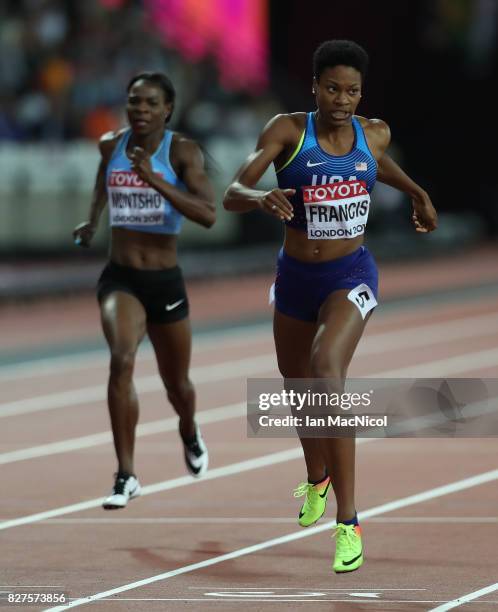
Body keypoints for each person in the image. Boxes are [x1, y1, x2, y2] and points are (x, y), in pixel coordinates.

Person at [223, 40, 437, 572]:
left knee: (326, 370)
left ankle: (349, 522)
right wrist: (258, 198)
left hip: (350, 274)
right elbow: (232, 191)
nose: (343, 99)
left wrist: (418, 193)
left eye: (353, 90)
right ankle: (316, 477)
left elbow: (377, 165)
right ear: (315, 86)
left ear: (362, 93)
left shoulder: (375, 132)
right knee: (297, 384)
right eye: (334, 88)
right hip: (295, 277)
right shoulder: (287, 132)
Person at [73, 72, 216, 510]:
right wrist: (94, 219)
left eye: (150, 103)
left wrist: (154, 180)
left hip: (164, 282)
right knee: (121, 359)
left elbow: (208, 214)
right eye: (134, 102)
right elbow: (103, 178)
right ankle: (126, 474)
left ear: (167, 109)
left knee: (178, 386)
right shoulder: (110, 145)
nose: (140, 110)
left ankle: (188, 429)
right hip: (121, 278)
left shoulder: (183, 152)